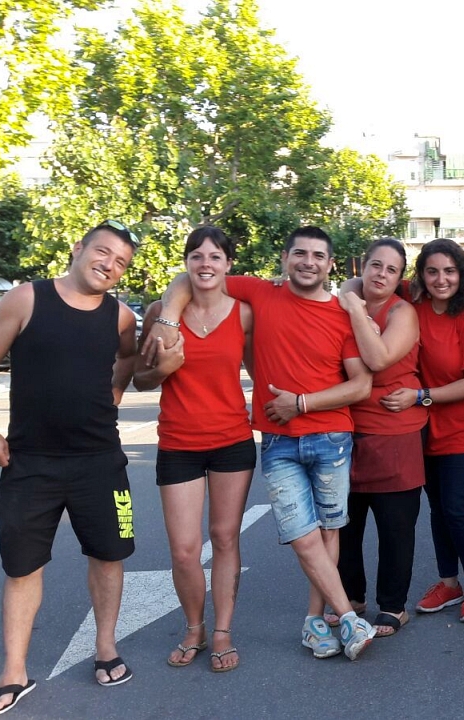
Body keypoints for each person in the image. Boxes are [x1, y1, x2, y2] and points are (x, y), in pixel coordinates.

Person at [150, 226, 376, 662]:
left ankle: (315, 621)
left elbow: (362, 383)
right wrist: (169, 313)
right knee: (301, 534)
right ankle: (347, 617)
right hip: (276, 438)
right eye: (299, 253)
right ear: (285, 259)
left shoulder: (340, 313)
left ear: (330, 264)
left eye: (318, 256)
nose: (308, 262)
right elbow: (194, 276)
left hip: (330, 436)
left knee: (327, 531)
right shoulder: (260, 294)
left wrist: (302, 402)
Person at [0, 221, 141, 716]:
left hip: (100, 462)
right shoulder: (27, 298)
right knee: (22, 566)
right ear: (78, 247)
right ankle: (13, 671)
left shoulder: (121, 317)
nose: (109, 265)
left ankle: (105, 647)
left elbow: (128, 359)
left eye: (121, 262)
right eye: (103, 252)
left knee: (109, 556)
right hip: (30, 462)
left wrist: (115, 391)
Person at [133, 226, 254, 673]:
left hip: (232, 441)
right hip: (178, 442)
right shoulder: (160, 314)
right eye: (197, 256)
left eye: (215, 256)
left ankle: (222, 631)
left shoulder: (245, 314)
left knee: (224, 538)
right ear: (186, 263)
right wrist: (163, 369)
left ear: (228, 265)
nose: (206, 264)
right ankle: (193, 627)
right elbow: (140, 380)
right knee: (184, 549)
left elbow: (264, 371)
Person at [400, 239, 464, 624]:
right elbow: (361, 284)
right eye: (432, 271)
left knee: (458, 506)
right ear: (421, 276)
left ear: (462, 273)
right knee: (439, 508)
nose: (441, 279)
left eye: (449, 271)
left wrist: (419, 396)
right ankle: (449, 583)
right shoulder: (414, 305)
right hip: (427, 425)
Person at [335, 238, 426, 638]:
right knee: (345, 526)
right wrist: (352, 300)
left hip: (395, 433)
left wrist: (354, 308)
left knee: (395, 529)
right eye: (376, 265)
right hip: (346, 430)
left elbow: (378, 358)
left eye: (391, 270)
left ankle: (393, 606)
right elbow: (346, 287)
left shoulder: (402, 312)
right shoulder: (349, 295)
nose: (382, 274)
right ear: (363, 266)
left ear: (400, 277)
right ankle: (351, 599)